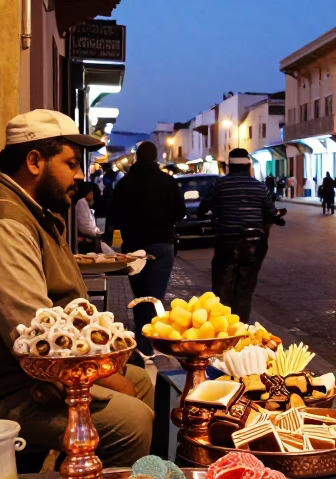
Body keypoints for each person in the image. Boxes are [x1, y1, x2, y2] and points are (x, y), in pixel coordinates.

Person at [0, 110, 154, 466]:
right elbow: (41, 340)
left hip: (20, 379)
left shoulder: (30, 212)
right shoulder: (1, 223)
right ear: (35, 161)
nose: (79, 176)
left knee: (140, 381)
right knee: (130, 420)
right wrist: (112, 383)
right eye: (70, 163)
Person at [104, 141, 186, 352]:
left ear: (137, 158)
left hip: (133, 246)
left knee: (140, 297)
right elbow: (180, 212)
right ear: (155, 156)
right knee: (154, 297)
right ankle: (148, 344)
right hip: (161, 244)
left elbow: (113, 216)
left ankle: (142, 343)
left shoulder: (124, 184)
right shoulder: (167, 182)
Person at [197, 148, 285, 321]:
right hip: (254, 245)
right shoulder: (260, 187)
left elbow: (203, 209)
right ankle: (241, 330)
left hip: (227, 243)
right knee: (245, 289)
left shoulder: (219, 185)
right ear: (248, 167)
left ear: (229, 166)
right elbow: (270, 213)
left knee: (221, 290)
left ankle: (223, 330)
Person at [73, 181, 103, 253]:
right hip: (86, 240)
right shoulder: (82, 202)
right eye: (91, 194)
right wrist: (96, 232)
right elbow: (85, 227)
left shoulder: (84, 203)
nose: (92, 196)